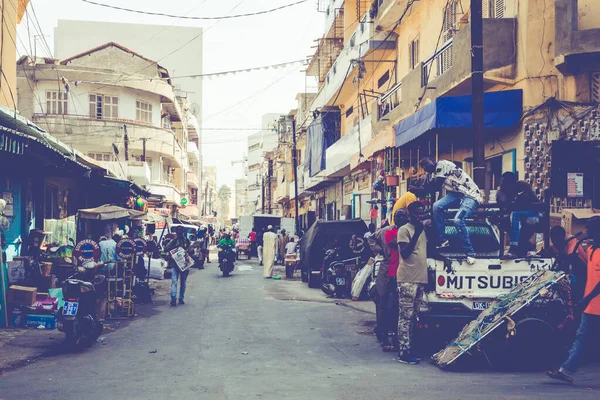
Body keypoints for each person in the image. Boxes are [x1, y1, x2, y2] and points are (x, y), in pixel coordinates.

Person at [546, 217, 600, 384]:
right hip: (590, 306)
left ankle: (567, 369)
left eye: (590, 228)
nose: (586, 232)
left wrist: (586, 299)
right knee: (582, 337)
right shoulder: (590, 249)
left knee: (583, 337)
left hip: (590, 302)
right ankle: (566, 370)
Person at [420, 156, 482, 264]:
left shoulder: (442, 164)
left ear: (433, 161)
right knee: (436, 207)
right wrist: (425, 182)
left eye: (426, 164)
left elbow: (436, 185)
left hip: (470, 195)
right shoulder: (434, 173)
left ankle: (470, 252)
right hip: (457, 193)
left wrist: (424, 182)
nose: (425, 168)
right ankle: (442, 240)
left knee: (458, 220)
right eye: (423, 167)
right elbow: (430, 189)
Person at [370, 208, 410, 351]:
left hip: (404, 271)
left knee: (399, 306)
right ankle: (383, 332)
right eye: (398, 216)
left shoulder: (409, 231)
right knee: (383, 303)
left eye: (403, 216)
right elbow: (371, 238)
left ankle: (398, 336)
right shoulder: (386, 231)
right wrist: (379, 250)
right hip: (387, 270)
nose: (401, 219)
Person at [396, 202, 428, 364]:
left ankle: (411, 347)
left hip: (420, 279)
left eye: (421, 213)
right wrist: (417, 234)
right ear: (410, 215)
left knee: (414, 316)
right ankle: (403, 351)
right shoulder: (404, 230)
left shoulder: (423, 230)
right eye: (416, 213)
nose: (419, 216)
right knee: (405, 317)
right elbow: (405, 253)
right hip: (407, 279)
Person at [505, 180, 540, 257]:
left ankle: (514, 244)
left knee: (515, 215)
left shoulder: (523, 196)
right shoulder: (530, 194)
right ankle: (518, 246)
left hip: (533, 216)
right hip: (533, 217)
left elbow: (517, 206)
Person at [164, 226, 191, 307]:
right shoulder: (173, 241)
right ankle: (173, 298)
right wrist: (175, 249)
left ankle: (181, 298)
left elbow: (190, 250)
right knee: (174, 282)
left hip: (184, 264)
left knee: (182, 282)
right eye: (178, 232)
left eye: (180, 232)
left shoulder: (187, 241)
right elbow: (166, 249)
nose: (179, 234)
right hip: (175, 264)